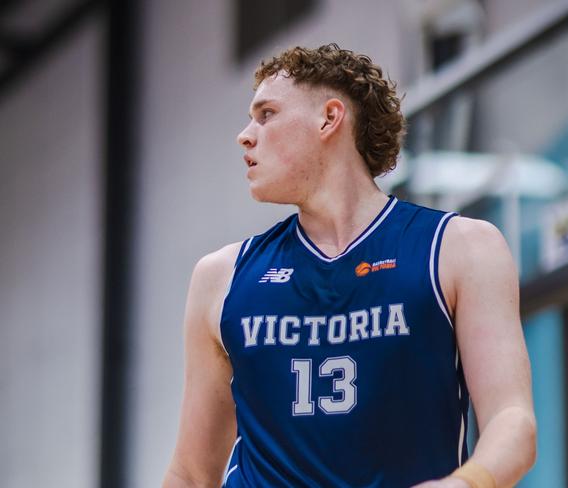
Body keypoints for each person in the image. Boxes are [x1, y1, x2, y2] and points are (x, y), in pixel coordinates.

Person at [162, 44, 536, 488]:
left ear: (329, 118)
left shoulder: (461, 248)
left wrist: (466, 483)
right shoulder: (220, 277)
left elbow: (513, 422)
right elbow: (190, 473)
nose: (245, 135)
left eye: (266, 114)